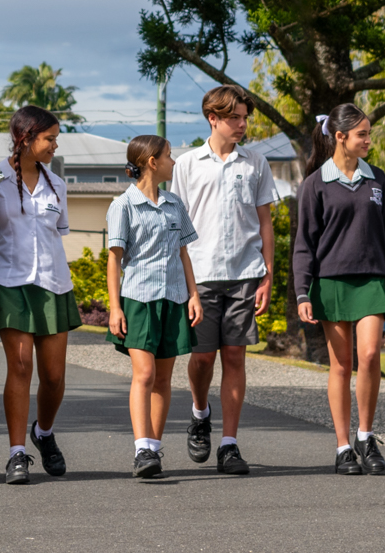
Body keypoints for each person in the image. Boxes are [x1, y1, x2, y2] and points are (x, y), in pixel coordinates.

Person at [169, 85, 277, 476]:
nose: (242, 125)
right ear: (212, 118)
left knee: (234, 356)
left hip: (245, 274)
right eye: (235, 118)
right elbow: (176, 225)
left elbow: (265, 222)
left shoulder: (256, 163)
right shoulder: (186, 165)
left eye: (245, 118)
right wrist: (182, 281)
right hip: (199, 274)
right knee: (201, 359)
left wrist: (267, 274)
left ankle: (229, 444)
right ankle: (200, 413)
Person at [293, 102, 385, 476]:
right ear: (340, 137)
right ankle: (343, 447)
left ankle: (366, 436)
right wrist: (302, 292)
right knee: (341, 365)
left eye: (369, 133)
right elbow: (304, 243)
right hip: (331, 282)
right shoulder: (314, 185)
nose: (369, 140)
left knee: (370, 356)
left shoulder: (378, 180)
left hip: (372, 279)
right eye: (363, 134)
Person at [0, 105, 79, 484]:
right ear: (26, 138)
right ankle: (17, 453)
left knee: (54, 377)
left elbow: (59, 232)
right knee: (21, 366)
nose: (55, 145)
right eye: (49, 138)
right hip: (10, 283)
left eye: (56, 138)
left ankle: (43, 433)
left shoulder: (58, 184)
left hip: (54, 285)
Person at [107, 135, 203, 480]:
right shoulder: (123, 206)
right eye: (169, 156)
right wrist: (115, 308)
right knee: (144, 374)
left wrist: (193, 294)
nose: (173, 162)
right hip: (137, 299)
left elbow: (183, 253)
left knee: (164, 379)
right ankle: (141, 448)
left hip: (174, 298)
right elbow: (114, 260)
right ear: (152, 162)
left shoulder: (175, 204)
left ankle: (154, 449)